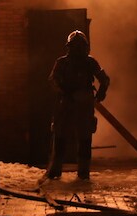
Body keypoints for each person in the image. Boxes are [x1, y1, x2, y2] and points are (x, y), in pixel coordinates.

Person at [46, 30, 109, 180]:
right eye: (75, 46)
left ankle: (82, 172)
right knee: (63, 138)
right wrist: (64, 90)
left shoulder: (89, 62)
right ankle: (58, 171)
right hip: (69, 104)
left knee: (83, 140)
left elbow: (104, 79)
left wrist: (101, 93)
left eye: (79, 46)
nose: (77, 49)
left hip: (80, 105)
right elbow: (53, 80)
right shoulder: (63, 62)